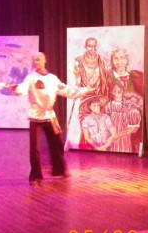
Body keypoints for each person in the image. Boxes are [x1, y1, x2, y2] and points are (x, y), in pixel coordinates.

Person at [15, 52, 92, 186]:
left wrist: (84, 90)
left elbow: (67, 90)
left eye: (38, 59)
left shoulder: (52, 78)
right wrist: (17, 89)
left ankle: (59, 169)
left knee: (57, 143)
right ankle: (35, 176)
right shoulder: (30, 78)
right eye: (34, 60)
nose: (36, 62)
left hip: (49, 116)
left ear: (44, 60)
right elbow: (23, 88)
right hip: (36, 117)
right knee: (35, 148)